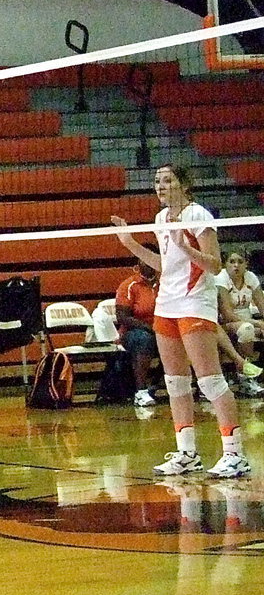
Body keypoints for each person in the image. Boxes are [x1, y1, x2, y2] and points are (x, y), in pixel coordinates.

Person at [112, 162, 252, 479]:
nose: (160, 186)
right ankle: (187, 453)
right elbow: (165, 265)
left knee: (210, 380)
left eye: (167, 180)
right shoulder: (162, 219)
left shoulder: (197, 215)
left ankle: (235, 453)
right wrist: (131, 244)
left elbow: (215, 265)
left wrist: (185, 246)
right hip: (168, 303)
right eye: (157, 181)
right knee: (175, 382)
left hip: (195, 302)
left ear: (183, 185)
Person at [214, 246, 264, 395]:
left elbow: (262, 307)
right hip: (225, 323)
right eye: (232, 261)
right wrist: (257, 323)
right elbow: (227, 313)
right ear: (225, 264)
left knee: (248, 327)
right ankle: (245, 378)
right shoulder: (221, 279)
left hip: (247, 320)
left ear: (246, 264)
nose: (236, 265)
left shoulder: (251, 278)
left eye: (240, 261)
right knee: (246, 328)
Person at [114, 254, 161, 407]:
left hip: (163, 328)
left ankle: (161, 384)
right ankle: (140, 392)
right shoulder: (129, 285)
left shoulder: (165, 283)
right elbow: (122, 317)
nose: (148, 262)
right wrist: (150, 328)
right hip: (133, 332)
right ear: (138, 263)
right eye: (144, 259)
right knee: (144, 339)